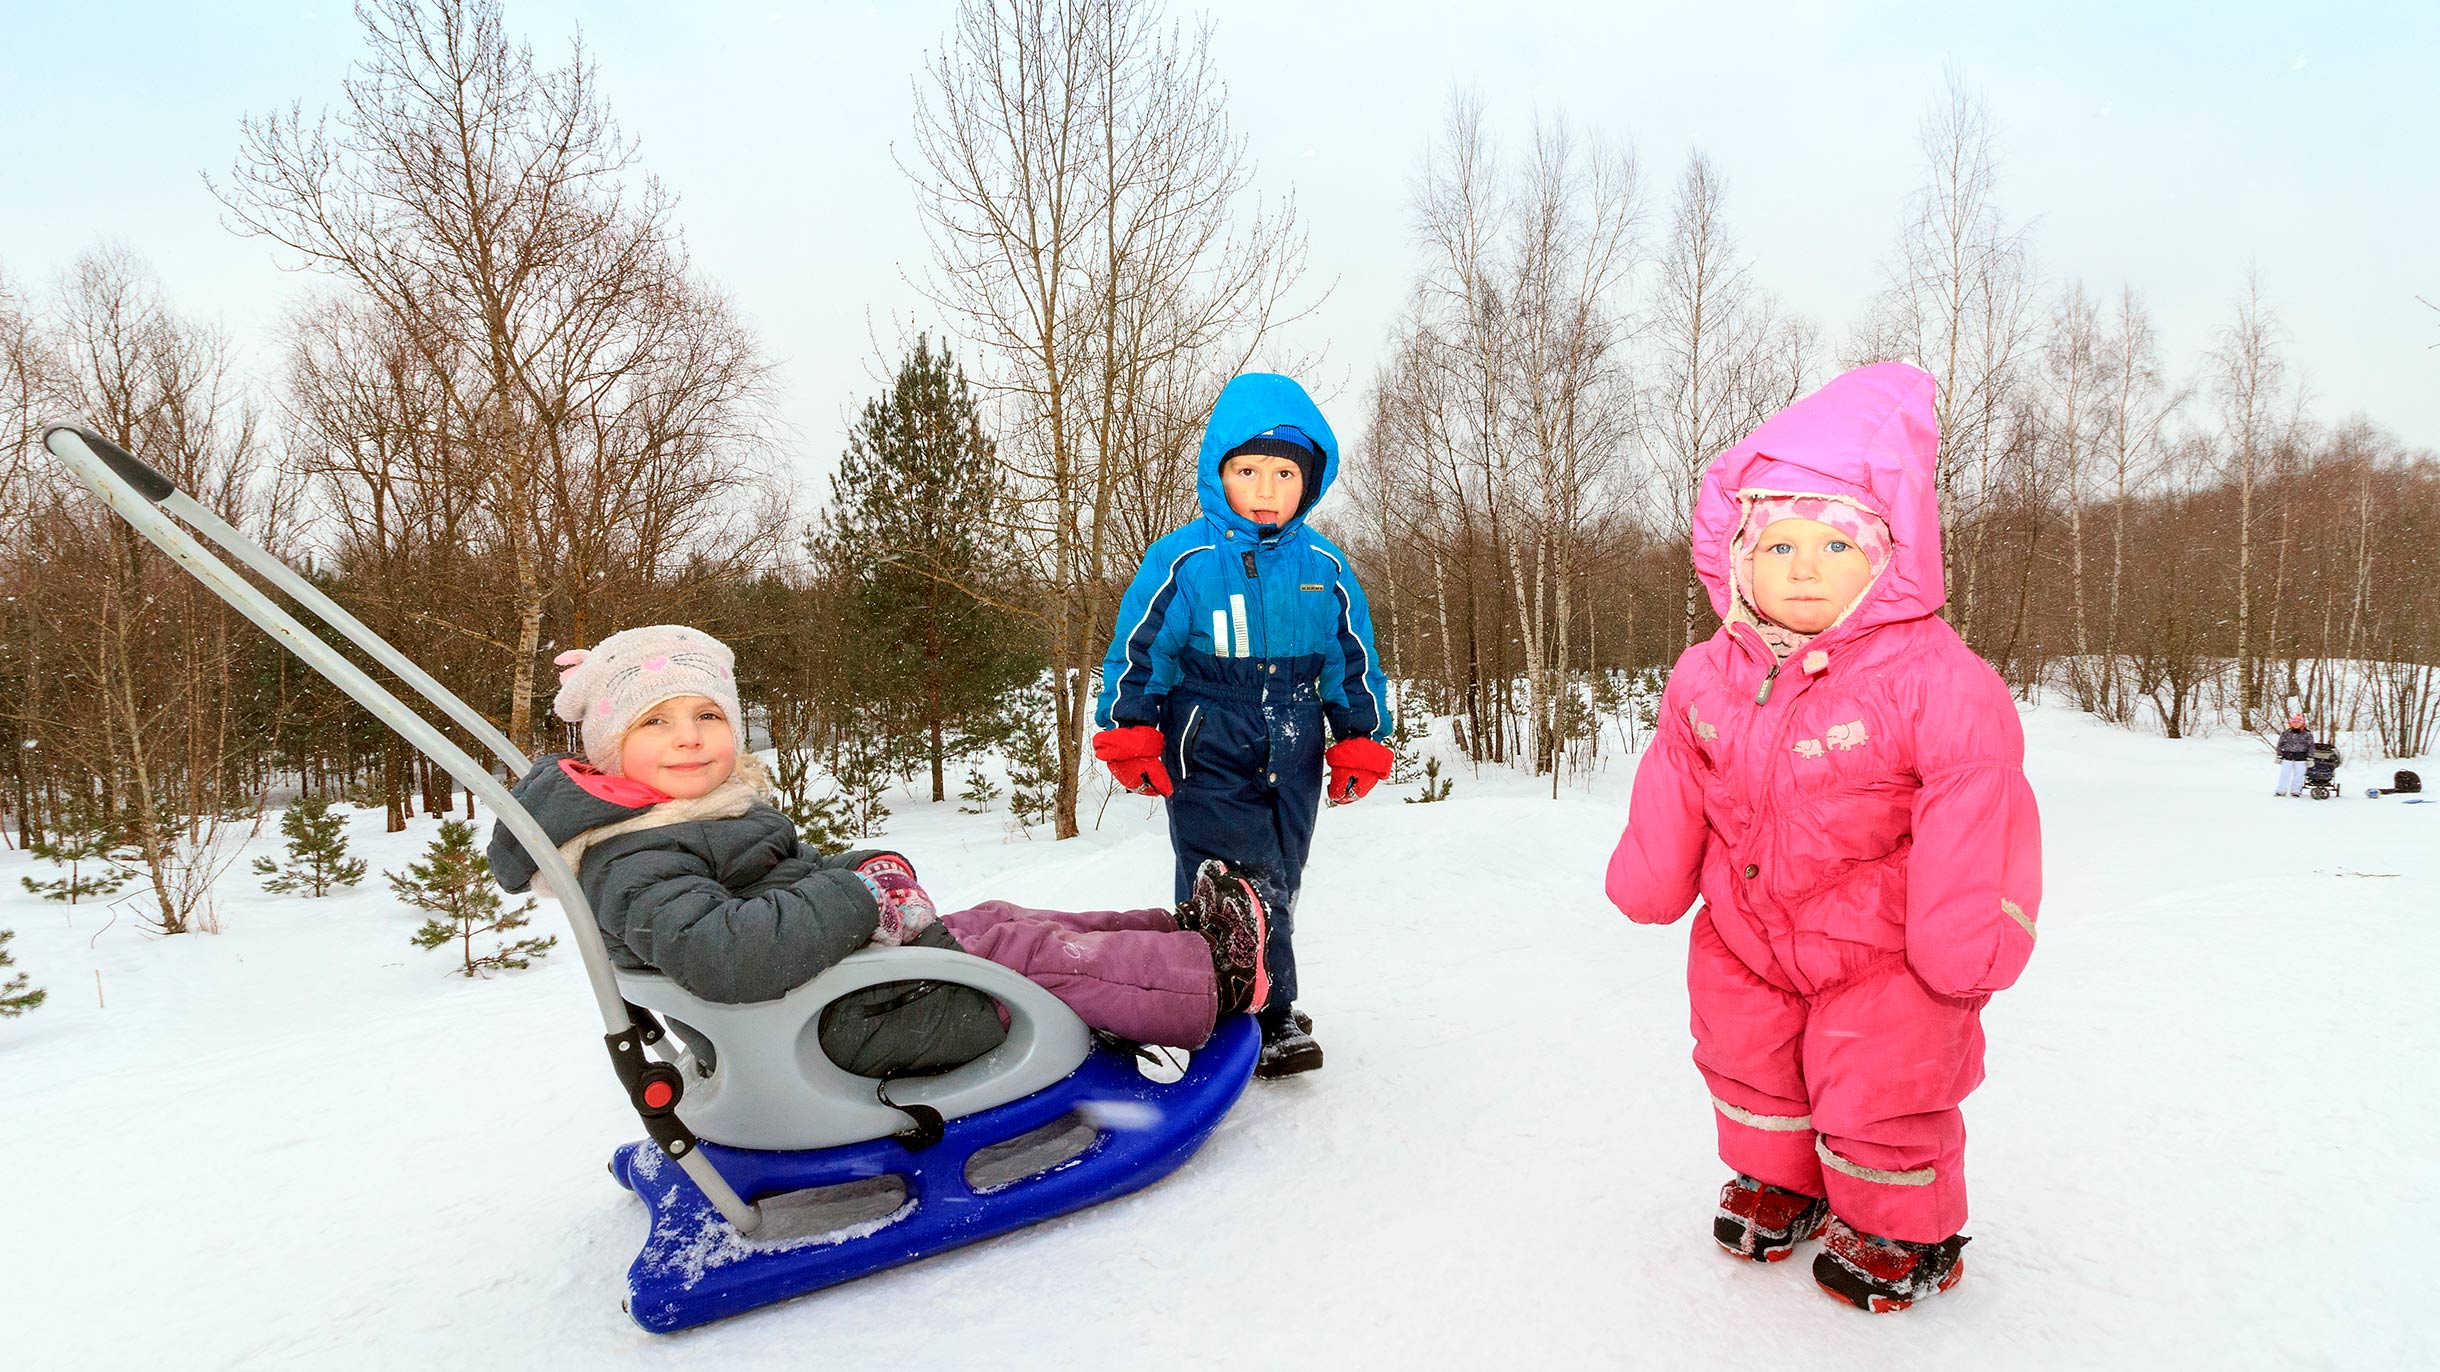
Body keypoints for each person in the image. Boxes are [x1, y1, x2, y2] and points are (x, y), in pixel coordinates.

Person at [1605, 361, 2043, 1313]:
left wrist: (1964, 940)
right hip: (1748, 929)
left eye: (1837, 545)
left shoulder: (1937, 678)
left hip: (1886, 948)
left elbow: (1978, 803)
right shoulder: (1706, 671)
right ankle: (1784, 1179)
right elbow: (1680, 772)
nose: (1804, 566)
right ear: (1738, 556)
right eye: (1781, 544)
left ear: (1890, 557)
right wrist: (1651, 875)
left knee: (1881, 1085)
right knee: (1746, 1059)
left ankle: (1901, 1229)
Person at [485, 625, 1270, 1079]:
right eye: (653, 723)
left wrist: (860, 869)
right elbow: (726, 954)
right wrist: (861, 898)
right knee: (1013, 953)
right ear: (608, 749)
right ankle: (1212, 983)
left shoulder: (691, 816)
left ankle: (1173, 934)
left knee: (994, 920)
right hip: (828, 1031)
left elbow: (777, 883)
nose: (688, 735)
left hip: (841, 991)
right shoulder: (634, 854)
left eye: (706, 715)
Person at [1091, 372, 1395, 1078]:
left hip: (1293, 737)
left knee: (1281, 875)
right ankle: (1263, 1010)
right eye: (1248, 469)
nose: (1264, 488)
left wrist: (1358, 737)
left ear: (1309, 480)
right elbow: (1141, 649)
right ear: (1218, 470)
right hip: (1207, 731)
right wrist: (1130, 726)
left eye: (1283, 472)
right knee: (1231, 881)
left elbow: (1351, 661)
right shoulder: (1186, 560)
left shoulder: (1325, 567)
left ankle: (1241, 988)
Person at [2274, 712, 2313, 797]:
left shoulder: (2307, 734)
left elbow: (2311, 746)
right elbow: (2280, 744)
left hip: (2301, 758)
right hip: (2287, 757)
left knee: (2299, 775)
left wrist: (2310, 757)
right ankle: (2281, 790)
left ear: (2302, 723)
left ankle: (2296, 791)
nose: (2296, 724)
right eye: (2294, 722)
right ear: (2291, 723)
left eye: (2298, 722)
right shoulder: (2286, 733)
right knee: (2284, 774)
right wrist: (2279, 754)